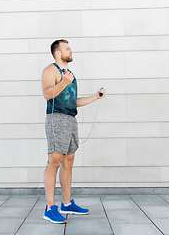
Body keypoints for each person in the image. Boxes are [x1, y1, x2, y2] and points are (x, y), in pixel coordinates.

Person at [41, 39, 106, 224]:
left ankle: (67, 204)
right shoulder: (51, 70)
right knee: (54, 161)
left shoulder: (69, 74)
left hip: (70, 119)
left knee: (68, 161)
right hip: (57, 119)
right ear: (58, 52)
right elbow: (47, 93)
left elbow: (72, 101)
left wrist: (95, 97)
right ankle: (50, 208)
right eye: (67, 48)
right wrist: (63, 82)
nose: (71, 51)